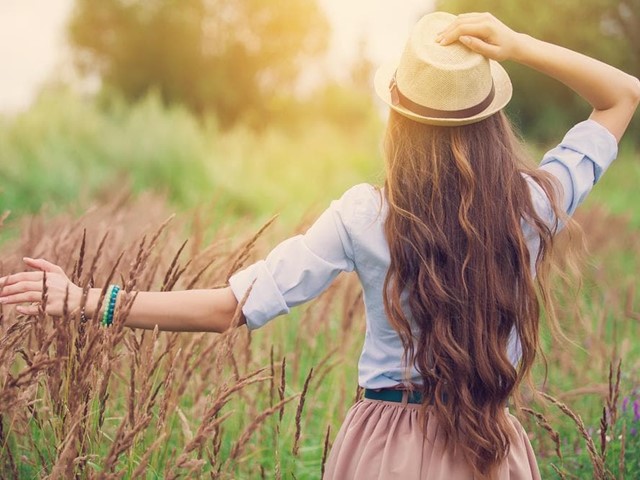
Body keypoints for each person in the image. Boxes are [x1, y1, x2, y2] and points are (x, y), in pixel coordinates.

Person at [1, 11, 638, 480]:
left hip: (383, 454)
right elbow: (621, 95)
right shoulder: (533, 203)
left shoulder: (365, 214)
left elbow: (229, 306)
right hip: (490, 452)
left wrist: (86, 298)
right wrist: (519, 43)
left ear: (399, 118)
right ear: (491, 119)